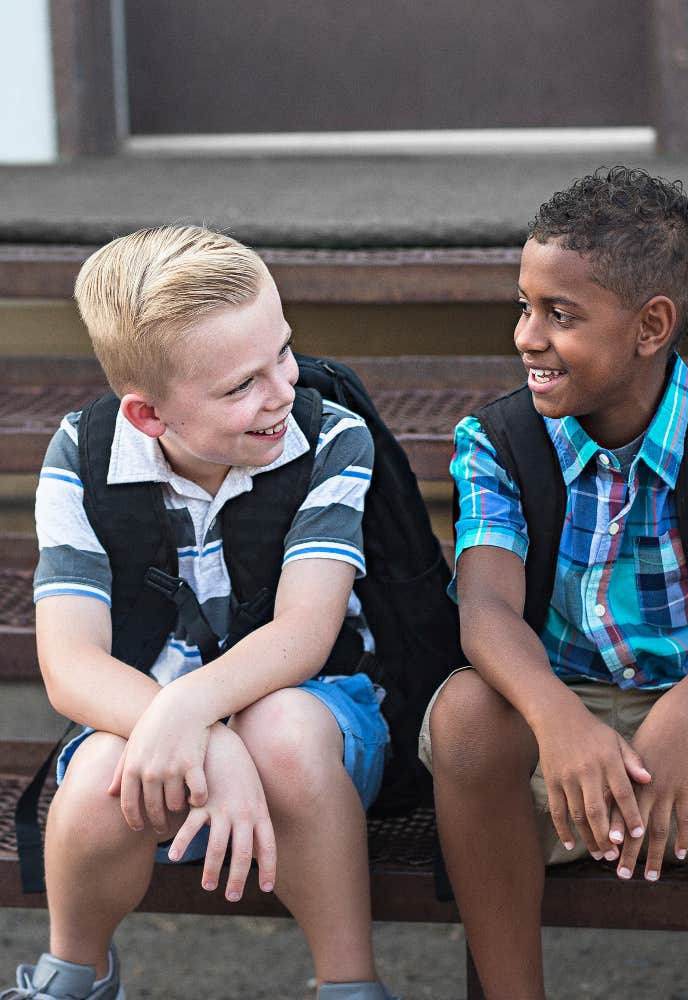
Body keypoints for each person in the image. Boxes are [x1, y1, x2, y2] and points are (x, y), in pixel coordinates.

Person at [419, 167, 688, 1000]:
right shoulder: (494, 442)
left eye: (559, 315)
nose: (527, 336)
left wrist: (683, 715)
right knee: (466, 712)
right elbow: (486, 608)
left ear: (651, 326)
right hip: (543, 767)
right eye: (525, 305)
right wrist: (557, 718)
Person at [6, 226, 399, 1000]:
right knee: (96, 781)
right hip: (143, 733)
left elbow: (304, 635)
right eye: (240, 385)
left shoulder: (328, 439)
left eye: (282, 353)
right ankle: (71, 977)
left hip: (317, 721)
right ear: (148, 418)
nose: (283, 390)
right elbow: (71, 664)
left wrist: (197, 712)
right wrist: (200, 737)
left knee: (280, 733)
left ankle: (351, 984)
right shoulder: (81, 457)